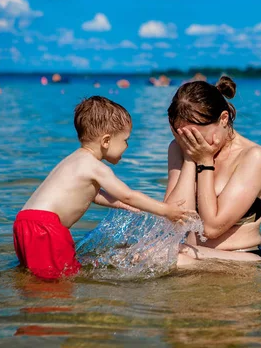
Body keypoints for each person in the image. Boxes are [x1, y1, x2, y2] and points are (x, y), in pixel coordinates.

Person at [13, 96, 196, 279]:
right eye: (125, 140)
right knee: (61, 281)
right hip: (46, 227)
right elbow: (129, 195)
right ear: (106, 141)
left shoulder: (74, 160)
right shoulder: (96, 167)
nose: (127, 146)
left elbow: (90, 195)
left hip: (25, 222)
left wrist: (118, 204)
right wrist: (165, 210)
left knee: (35, 277)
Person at [164, 76, 261, 263]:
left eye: (197, 136)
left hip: (240, 257)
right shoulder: (179, 148)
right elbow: (173, 221)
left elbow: (211, 229)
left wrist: (204, 161)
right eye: (184, 136)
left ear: (223, 119)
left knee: (173, 259)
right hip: (192, 254)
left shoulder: (253, 156)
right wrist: (190, 158)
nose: (191, 142)